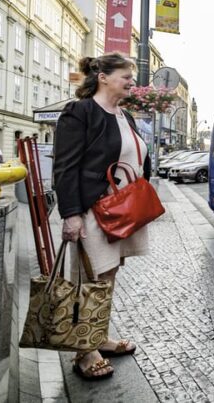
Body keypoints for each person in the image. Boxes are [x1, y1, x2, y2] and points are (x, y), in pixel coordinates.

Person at [53, 53, 152, 380]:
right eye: (126, 76)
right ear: (104, 77)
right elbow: (65, 167)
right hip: (94, 208)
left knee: (106, 277)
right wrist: (71, 214)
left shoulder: (125, 115)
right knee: (90, 277)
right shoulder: (80, 112)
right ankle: (84, 351)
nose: (131, 81)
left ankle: (98, 337)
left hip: (121, 208)